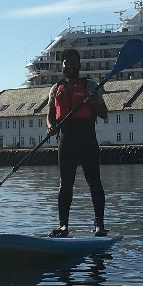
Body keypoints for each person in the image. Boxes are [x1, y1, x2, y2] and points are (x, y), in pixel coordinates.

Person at [46, 48, 109, 237]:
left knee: (94, 183)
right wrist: (51, 127)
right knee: (65, 184)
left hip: (87, 139)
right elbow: (50, 116)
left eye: (74, 62)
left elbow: (104, 113)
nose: (70, 66)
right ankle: (63, 225)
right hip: (66, 140)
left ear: (79, 65)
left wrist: (92, 102)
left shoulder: (90, 85)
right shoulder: (56, 89)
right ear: (62, 65)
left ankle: (99, 225)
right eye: (67, 63)